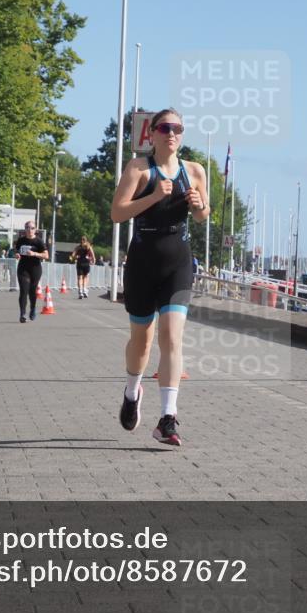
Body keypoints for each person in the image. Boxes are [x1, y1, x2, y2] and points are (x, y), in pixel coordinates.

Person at [110, 108, 209, 446]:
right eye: (165, 128)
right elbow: (117, 212)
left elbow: (203, 215)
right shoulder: (139, 168)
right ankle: (132, 391)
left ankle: (167, 418)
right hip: (142, 263)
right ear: (151, 133)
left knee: (172, 338)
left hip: (178, 264)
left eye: (177, 128)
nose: (172, 134)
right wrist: (153, 196)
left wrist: (199, 205)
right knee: (142, 341)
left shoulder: (194, 171)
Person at [13, 220, 48, 322]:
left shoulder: (39, 241)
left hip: (35, 268)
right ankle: (22, 313)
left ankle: (32, 308)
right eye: (27, 228)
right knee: (23, 290)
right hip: (23, 268)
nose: (30, 230)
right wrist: (17, 254)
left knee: (32, 291)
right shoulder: (21, 240)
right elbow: (16, 250)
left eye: (32, 228)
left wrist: (34, 254)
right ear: (25, 229)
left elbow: (46, 255)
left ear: (35, 229)